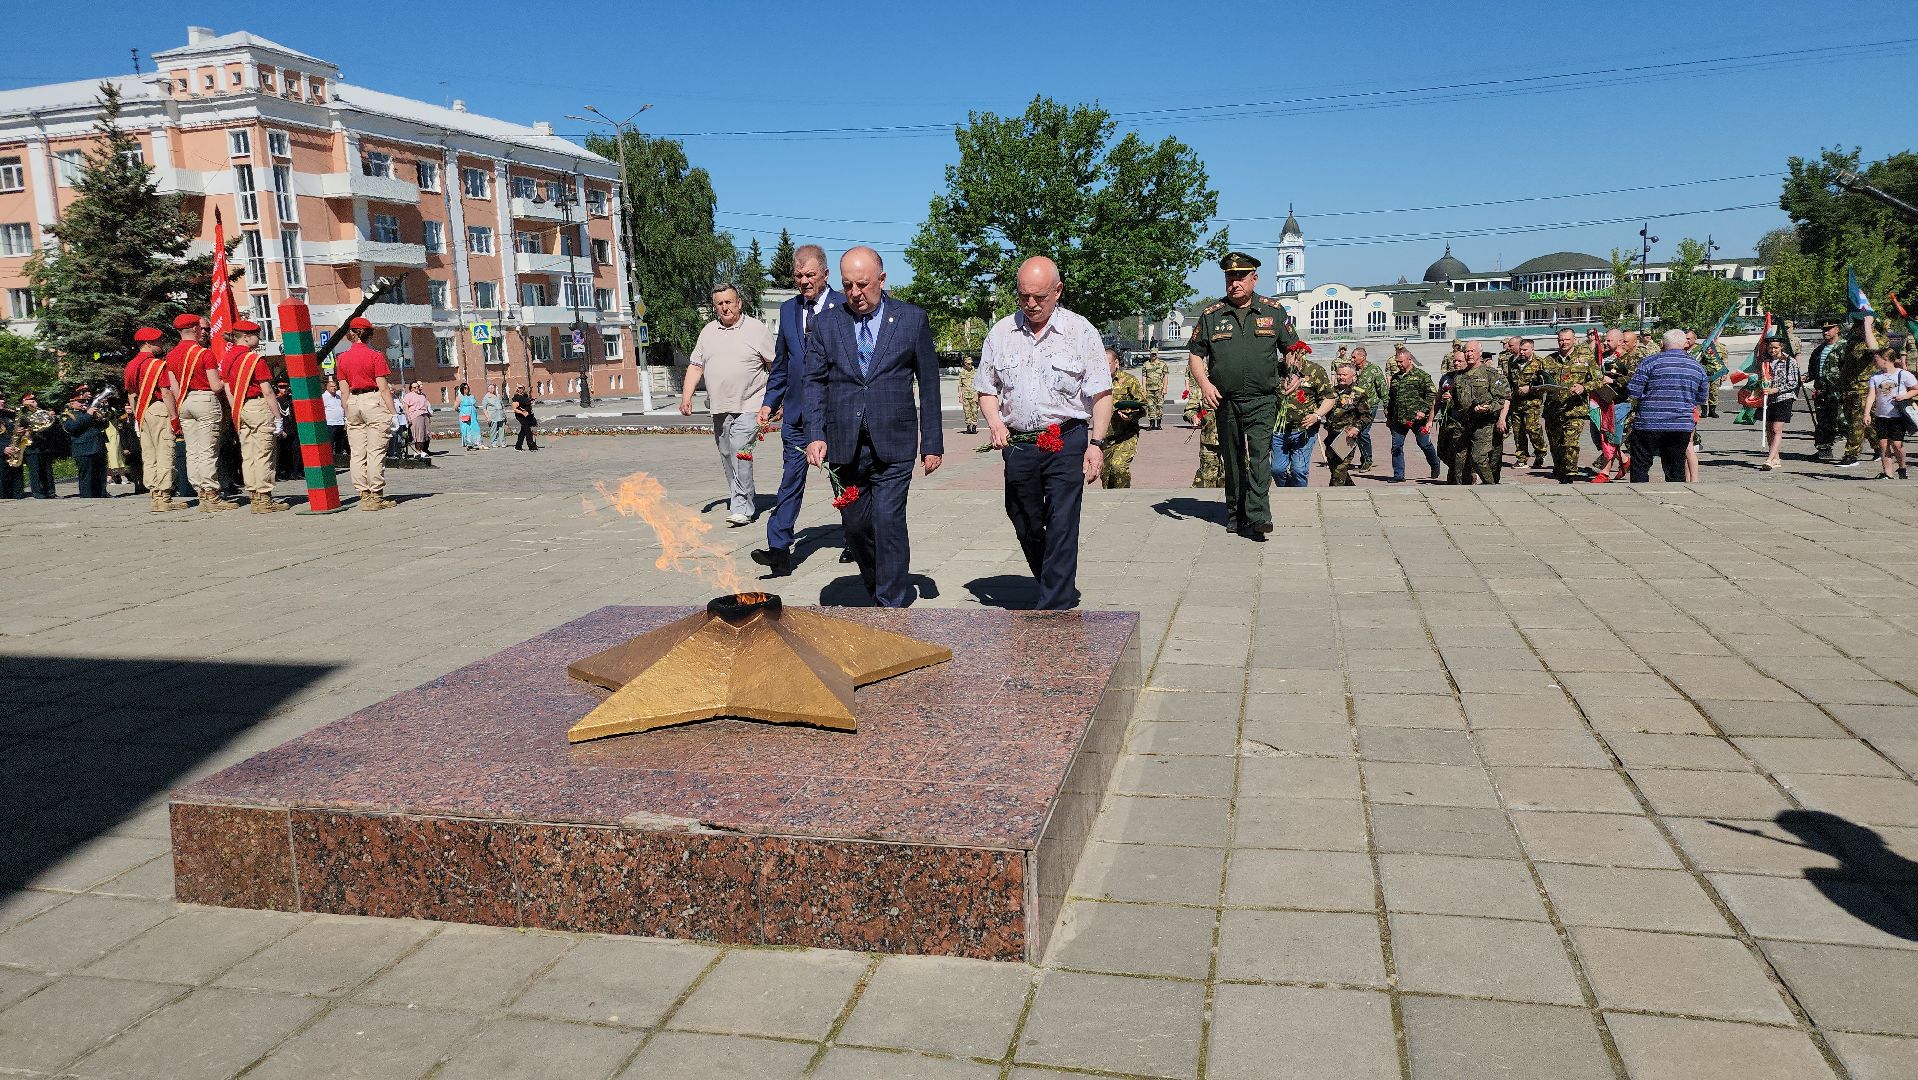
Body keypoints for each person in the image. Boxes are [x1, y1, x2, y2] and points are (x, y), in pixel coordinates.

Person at [802, 245, 944, 608]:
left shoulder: (911, 319)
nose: (855, 293)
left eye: (863, 284)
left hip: (894, 441)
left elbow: (929, 384)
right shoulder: (827, 324)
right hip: (843, 445)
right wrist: (815, 434)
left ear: (881, 279)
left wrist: (932, 443)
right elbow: (814, 382)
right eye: (848, 285)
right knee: (855, 527)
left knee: (887, 521)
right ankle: (877, 584)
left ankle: (890, 604)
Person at [973, 257, 1111, 610]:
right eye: (1023, 296)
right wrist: (995, 423)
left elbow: (1101, 393)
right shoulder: (1001, 333)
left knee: (1062, 521)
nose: (1031, 304)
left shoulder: (1081, 332)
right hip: (1019, 441)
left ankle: (1054, 606)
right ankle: (1051, 578)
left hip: (1066, 438)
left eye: (1039, 297)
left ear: (1058, 291)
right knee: (1023, 516)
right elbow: (986, 389)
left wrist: (1096, 443)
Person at [1187, 252, 1300, 539]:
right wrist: (1205, 385)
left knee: (1260, 456)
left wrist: (1294, 372)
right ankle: (1236, 513)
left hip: (1263, 399)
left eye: (1240, 277)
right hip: (1225, 400)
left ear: (1254, 279)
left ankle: (1259, 515)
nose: (1234, 283)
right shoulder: (1212, 315)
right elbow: (1196, 355)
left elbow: (1292, 348)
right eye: (1230, 277)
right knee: (1233, 457)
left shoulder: (1273, 312)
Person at [753, 245, 843, 576]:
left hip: (834, 415)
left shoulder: (843, 306)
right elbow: (782, 363)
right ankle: (778, 550)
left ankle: (857, 537)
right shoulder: (788, 309)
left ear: (825, 274)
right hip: (796, 416)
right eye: (798, 276)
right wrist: (769, 402)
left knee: (843, 479)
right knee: (790, 479)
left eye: (810, 275)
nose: (804, 281)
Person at [683, 283, 776, 527]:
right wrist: (686, 397)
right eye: (720, 303)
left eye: (729, 302)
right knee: (726, 453)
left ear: (739, 303)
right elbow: (696, 366)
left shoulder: (756, 330)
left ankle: (742, 507)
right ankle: (741, 496)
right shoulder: (708, 332)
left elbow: (775, 366)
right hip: (719, 406)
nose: (725, 307)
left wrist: (777, 400)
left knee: (739, 450)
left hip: (751, 403)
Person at [217, 320, 288, 513]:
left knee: (248, 454)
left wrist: (236, 409)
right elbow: (267, 391)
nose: (259, 338)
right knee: (264, 453)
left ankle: (255, 496)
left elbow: (227, 389)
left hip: (241, 407)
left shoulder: (227, 358)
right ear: (246, 337)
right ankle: (265, 498)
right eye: (257, 335)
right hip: (258, 406)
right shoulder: (255, 360)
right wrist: (278, 418)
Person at [167, 313, 232, 510]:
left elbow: (174, 388)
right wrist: (227, 379)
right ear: (195, 329)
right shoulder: (204, 353)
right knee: (207, 449)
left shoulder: (171, 355)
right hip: (204, 400)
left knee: (192, 450)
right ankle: (212, 494)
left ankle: (201, 492)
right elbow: (216, 386)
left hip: (184, 402)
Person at [1626, 328, 1709, 483]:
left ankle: (1638, 493)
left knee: (1640, 466)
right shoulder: (1697, 367)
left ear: (1662, 343)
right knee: (1676, 468)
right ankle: (1676, 494)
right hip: (1680, 424)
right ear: (1684, 344)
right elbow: (1702, 398)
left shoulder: (1649, 362)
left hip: (1649, 423)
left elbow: (1633, 392)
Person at [334, 317, 398, 510]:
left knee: (357, 453)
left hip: (353, 402)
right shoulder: (375, 356)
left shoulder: (342, 358)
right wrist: (394, 413)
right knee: (375, 451)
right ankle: (376, 495)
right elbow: (383, 388)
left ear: (351, 334)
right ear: (369, 334)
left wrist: (347, 412)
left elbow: (343, 391)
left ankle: (363, 494)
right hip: (373, 400)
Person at [123, 326, 184, 511]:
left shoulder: (131, 365)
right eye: (158, 341)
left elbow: (132, 394)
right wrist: (174, 417)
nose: (161, 344)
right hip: (159, 408)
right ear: (148, 343)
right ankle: (165, 496)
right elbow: (166, 393)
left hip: (143, 411)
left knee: (149, 455)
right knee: (165, 451)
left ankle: (155, 495)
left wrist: (137, 415)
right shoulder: (157, 365)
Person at [1270, 341, 1331, 488]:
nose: (1291, 359)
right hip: (1279, 430)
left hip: (1304, 430)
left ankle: (1300, 496)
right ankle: (1288, 493)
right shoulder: (1275, 370)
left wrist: (1317, 415)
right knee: (1277, 470)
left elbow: (1329, 397)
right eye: (1288, 354)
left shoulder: (1315, 371)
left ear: (1302, 354)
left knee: (1299, 470)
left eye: (1295, 355)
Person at [1446, 342, 1509, 484]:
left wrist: (1487, 408)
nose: (1469, 354)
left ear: (1480, 353)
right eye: (1466, 351)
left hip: (1483, 423)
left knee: (1478, 457)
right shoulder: (1459, 376)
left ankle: (1490, 485)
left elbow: (1501, 399)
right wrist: (1448, 399)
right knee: (1459, 459)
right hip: (1462, 424)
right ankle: (1462, 487)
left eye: (1472, 351)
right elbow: (1457, 401)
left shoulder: (1490, 374)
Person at [1541, 328, 1598, 484]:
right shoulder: (1548, 360)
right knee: (1556, 445)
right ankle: (1560, 470)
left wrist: (1584, 387)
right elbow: (1540, 381)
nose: (1563, 342)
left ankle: (1570, 473)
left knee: (1570, 443)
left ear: (1574, 340)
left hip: (1575, 410)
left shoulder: (1585, 359)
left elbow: (1598, 380)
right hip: (1553, 410)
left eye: (1567, 339)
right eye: (1561, 340)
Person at [1383, 347, 1439, 482]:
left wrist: (1423, 410)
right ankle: (1398, 475)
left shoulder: (1422, 376)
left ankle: (1435, 463)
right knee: (1396, 446)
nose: (1398, 364)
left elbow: (1431, 394)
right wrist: (1389, 417)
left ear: (1409, 360)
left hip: (1417, 420)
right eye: (1397, 362)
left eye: (1401, 361)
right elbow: (1391, 399)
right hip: (1399, 419)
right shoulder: (1395, 378)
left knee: (1424, 444)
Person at [1864, 348, 1917, 480]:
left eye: (1876, 360)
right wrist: (1867, 413)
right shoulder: (1875, 377)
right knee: (1883, 444)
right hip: (1881, 415)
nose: (1874, 362)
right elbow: (1871, 396)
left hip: (1898, 416)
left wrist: (1904, 396)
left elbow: (1915, 389)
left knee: (1897, 444)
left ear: (1886, 359)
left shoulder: (1903, 374)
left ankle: (1902, 467)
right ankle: (1888, 473)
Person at [1836, 316, 1881, 467]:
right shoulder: (1853, 342)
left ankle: (1851, 455)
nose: (1856, 329)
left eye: (1859, 326)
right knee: (1862, 423)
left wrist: (1868, 325)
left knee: (1857, 423)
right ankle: (1880, 446)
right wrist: (1841, 386)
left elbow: (1874, 349)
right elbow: (1845, 366)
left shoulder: (1879, 339)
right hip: (1850, 388)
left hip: (1866, 388)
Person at [1102, 346, 1147, 488]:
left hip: (1126, 435)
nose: (1103, 367)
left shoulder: (1129, 380)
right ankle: (1112, 500)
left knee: (1118, 467)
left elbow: (1143, 406)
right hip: (1106, 437)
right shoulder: (1097, 383)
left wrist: (1131, 415)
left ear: (1116, 363)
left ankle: (1124, 496)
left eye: (1107, 363)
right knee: (1106, 477)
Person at [1321, 361, 1371, 486]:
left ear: (1352, 376)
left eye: (1344, 375)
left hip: (1347, 436)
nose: (1341, 377)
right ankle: (1351, 489)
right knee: (1334, 467)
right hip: (1332, 435)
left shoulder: (1358, 393)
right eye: (1339, 374)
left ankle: (1334, 494)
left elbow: (1366, 415)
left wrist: (1356, 428)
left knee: (1340, 469)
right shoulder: (1331, 392)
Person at [1505, 337, 1549, 471]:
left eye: (1525, 350)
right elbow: (1510, 380)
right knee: (1518, 432)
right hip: (1516, 402)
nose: (1522, 352)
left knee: (1532, 428)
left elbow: (1545, 383)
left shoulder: (1540, 363)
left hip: (1532, 403)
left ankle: (1541, 452)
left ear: (1532, 349)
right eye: (1521, 350)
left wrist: (1529, 388)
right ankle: (1521, 458)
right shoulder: (1513, 362)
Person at [1805, 322, 1845, 461]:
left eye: (1829, 329)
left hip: (1839, 391)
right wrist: (1805, 377)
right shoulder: (1819, 350)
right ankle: (1824, 449)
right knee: (1823, 422)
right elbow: (1812, 371)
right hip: (1822, 391)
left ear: (1837, 329)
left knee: (1844, 422)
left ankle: (1874, 447)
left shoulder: (1845, 347)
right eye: (1824, 330)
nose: (1825, 332)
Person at [1759, 337, 1800, 470]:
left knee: (1777, 429)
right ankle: (1776, 458)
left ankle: (1769, 459)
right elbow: (1761, 378)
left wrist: (1775, 390)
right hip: (1768, 398)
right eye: (1770, 347)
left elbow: (1793, 382)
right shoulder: (1765, 361)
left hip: (1784, 398)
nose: (1773, 350)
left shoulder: (1790, 361)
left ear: (1781, 347)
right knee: (1769, 428)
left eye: (1776, 347)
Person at [60, 383, 108, 498]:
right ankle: (87, 495)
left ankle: (102, 493)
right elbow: (72, 427)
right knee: (86, 475)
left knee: (100, 473)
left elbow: (103, 425)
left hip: (98, 447)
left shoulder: (89, 412)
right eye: (80, 402)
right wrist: (88, 415)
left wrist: (102, 417)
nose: (84, 404)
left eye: (85, 402)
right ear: (72, 403)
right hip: (83, 449)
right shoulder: (68, 414)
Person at [15, 391, 57, 498]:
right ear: (24, 401)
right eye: (31, 400)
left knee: (47, 470)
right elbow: (25, 426)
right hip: (31, 445)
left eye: (34, 399)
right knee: (35, 470)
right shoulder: (22, 413)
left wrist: (50, 417)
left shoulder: (40, 412)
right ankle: (37, 492)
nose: (34, 401)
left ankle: (50, 492)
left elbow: (49, 426)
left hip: (44, 444)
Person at [1350, 346, 1386, 470]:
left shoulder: (1373, 370)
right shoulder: (1352, 370)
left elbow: (1383, 389)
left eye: (1354, 357)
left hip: (1370, 406)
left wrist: (1387, 407)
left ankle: (1368, 460)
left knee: (1363, 433)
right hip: (1355, 407)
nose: (1352, 359)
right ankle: (1362, 459)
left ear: (1363, 357)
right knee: (1355, 432)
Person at [1185, 391, 1222, 488]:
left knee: (1237, 483)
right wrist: (1194, 417)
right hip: (1209, 445)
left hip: (1234, 444)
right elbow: (1189, 410)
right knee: (1206, 482)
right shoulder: (1201, 389)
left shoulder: (1235, 387)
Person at [1140, 351, 1169, 430]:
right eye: (1152, 354)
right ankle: (1152, 424)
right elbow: (1144, 377)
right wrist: (1144, 389)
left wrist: (1165, 388)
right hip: (1149, 389)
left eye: (1155, 354)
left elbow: (1165, 377)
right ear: (1150, 354)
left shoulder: (1162, 364)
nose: (1153, 355)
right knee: (1150, 406)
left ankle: (1158, 424)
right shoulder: (1146, 364)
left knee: (1159, 406)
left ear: (1157, 354)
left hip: (1159, 389)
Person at [402, 382, 432, 457]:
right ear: (411, 388)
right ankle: (418, 450)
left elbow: (426, 406)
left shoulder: (422, 395)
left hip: (424, 414)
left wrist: (428, 416)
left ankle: (424, 450)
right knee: (419, 433)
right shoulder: (408, 396)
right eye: (414, 387)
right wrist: (408, 417)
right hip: (415, 415)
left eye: (417, 387)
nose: (416, 388)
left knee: (426, 433)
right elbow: (406, 407)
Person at [323, 375, 348, 458]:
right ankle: (329, 460)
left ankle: (339, 459)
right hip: (330, 424)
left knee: (340, 444)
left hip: (340, 423)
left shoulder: (338, 396)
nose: (334, 388)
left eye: (335, 386)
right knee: (330, 444)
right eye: (331, 386)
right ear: (327, 387)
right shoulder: (324, 397)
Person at [0, 394, 19, 500]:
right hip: (2, 452)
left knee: (14, 487)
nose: (3, 401)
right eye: (0, 399)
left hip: (11, 452)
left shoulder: (7, 415)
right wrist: (2, 448)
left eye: (3, 399)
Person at [957, 352, 981, 435]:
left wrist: (978, 395)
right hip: (965, 396)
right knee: (967, 412)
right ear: (965, 364)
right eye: (968, 363)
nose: (970, 365)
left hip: (974, 395)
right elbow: (960, 385)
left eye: (971, 363)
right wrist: (960, 396)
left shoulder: (976, 373)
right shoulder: (962, 373)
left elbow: (979, 385)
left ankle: (974, 427)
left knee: (974, 411)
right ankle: (968, 427)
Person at [512, 385, 539, 451]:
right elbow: (515, 409)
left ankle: (518, 446)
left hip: (527, 415)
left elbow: (527, 404)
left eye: (522, 388)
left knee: (523, 431)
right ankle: (531, 446)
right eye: (519, 388)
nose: (521, 389)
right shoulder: (516, 397)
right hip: (520, 416)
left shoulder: (525, 396)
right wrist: (523, 413)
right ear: (517, 389)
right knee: (527, 430)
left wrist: (531, 400)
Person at [457, 383, 481, 451]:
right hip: (465, 416)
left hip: (473, 415)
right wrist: (461, 412)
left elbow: (474, 404)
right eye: (465, 388)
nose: (467, 389)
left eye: (467, 388)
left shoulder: (471, 396)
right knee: (467, 430)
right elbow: (455, 407)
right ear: (462, 389)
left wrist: (474, 408)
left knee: (475, 428)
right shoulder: (460, 397)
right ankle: (469, 445)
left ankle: (476, 442)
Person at [485, 382, 509, 448]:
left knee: (502, 429)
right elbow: (484, 408)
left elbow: (502, 405)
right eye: (491, 388)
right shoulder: (486, 397)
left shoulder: (498, 396)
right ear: (488, 389)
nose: (492, 389)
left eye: (493, 388)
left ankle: (502, 442)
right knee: (493, 430)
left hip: (500, 414)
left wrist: (504, 414)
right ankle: (494, 443)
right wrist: (487, 417)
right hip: (492, 415)